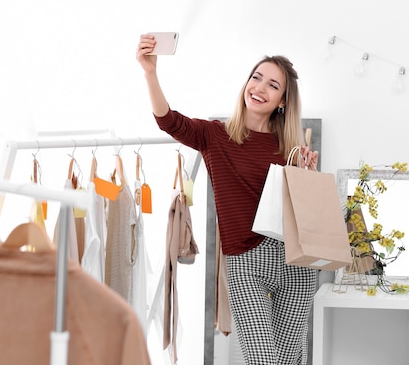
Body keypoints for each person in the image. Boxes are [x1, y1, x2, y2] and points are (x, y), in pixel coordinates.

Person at [136, 34, 319, 365]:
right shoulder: (215, 135)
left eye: (272, 85)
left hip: (296, 264)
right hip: (247, 261)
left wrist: (304, 176)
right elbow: (168, 121)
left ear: (282, 101)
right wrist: (150, 72)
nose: (259, 87)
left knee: (289, 361)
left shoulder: (287, 148)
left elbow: (300, 216)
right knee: (263, 360)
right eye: (256, 77)